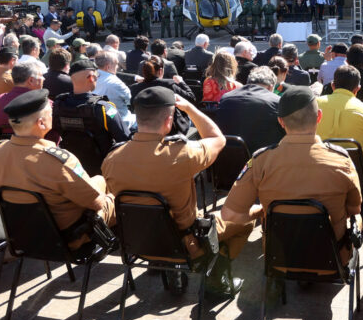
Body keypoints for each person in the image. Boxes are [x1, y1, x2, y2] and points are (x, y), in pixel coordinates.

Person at [103, 86, 252, 295]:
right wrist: (190, 109)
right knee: (247, 217)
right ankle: (218, 282)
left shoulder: (111, 159)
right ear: (168, 120)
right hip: (187, 245)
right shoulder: (183, 154)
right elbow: (218, 139)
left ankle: (171, 268)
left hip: (138, 245)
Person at [222, 85, 360, 269]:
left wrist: (261, 211)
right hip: (331, 261)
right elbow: (354, 208)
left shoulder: (261, 160)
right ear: (319, 116)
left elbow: (229, 214)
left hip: (278, 259)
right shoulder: (341, 159)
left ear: (281, 121)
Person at [0, 89, 115, 249]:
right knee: (114, 198)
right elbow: (97, 203)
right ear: (41, 123)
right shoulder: (58, 161)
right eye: (50, 113)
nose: (52, 116)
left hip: (22, 234)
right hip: (66, 239)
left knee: (99, 181)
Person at [53, 59, 129, 173]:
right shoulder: (105, 108)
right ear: (91, 77)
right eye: (97, 75)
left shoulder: (59, 104)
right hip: (103, 170)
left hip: (73, 168)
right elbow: (125, 139)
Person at [316, 65, 363, 183]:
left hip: (319, 174)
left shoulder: (315, 104)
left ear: (332, 85)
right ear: (357, 89)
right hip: (356, 178)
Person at [212, 66, 284, 153]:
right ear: (270, 87)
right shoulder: (276, 101)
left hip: (226, 154)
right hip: (261, 158)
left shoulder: (226, 97)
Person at [0, 61, 45, 135]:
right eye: (41, 75)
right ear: (31, 80)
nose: (44, 79)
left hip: (5, 144)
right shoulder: (44, 103)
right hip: (33, 144)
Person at [92, 51, 134, 129]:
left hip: (97, 121)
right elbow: (130, 100)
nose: (117, 67)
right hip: (120, 121)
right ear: (108, 67)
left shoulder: (90, 79)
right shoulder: (116, 83)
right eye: (116, 64)